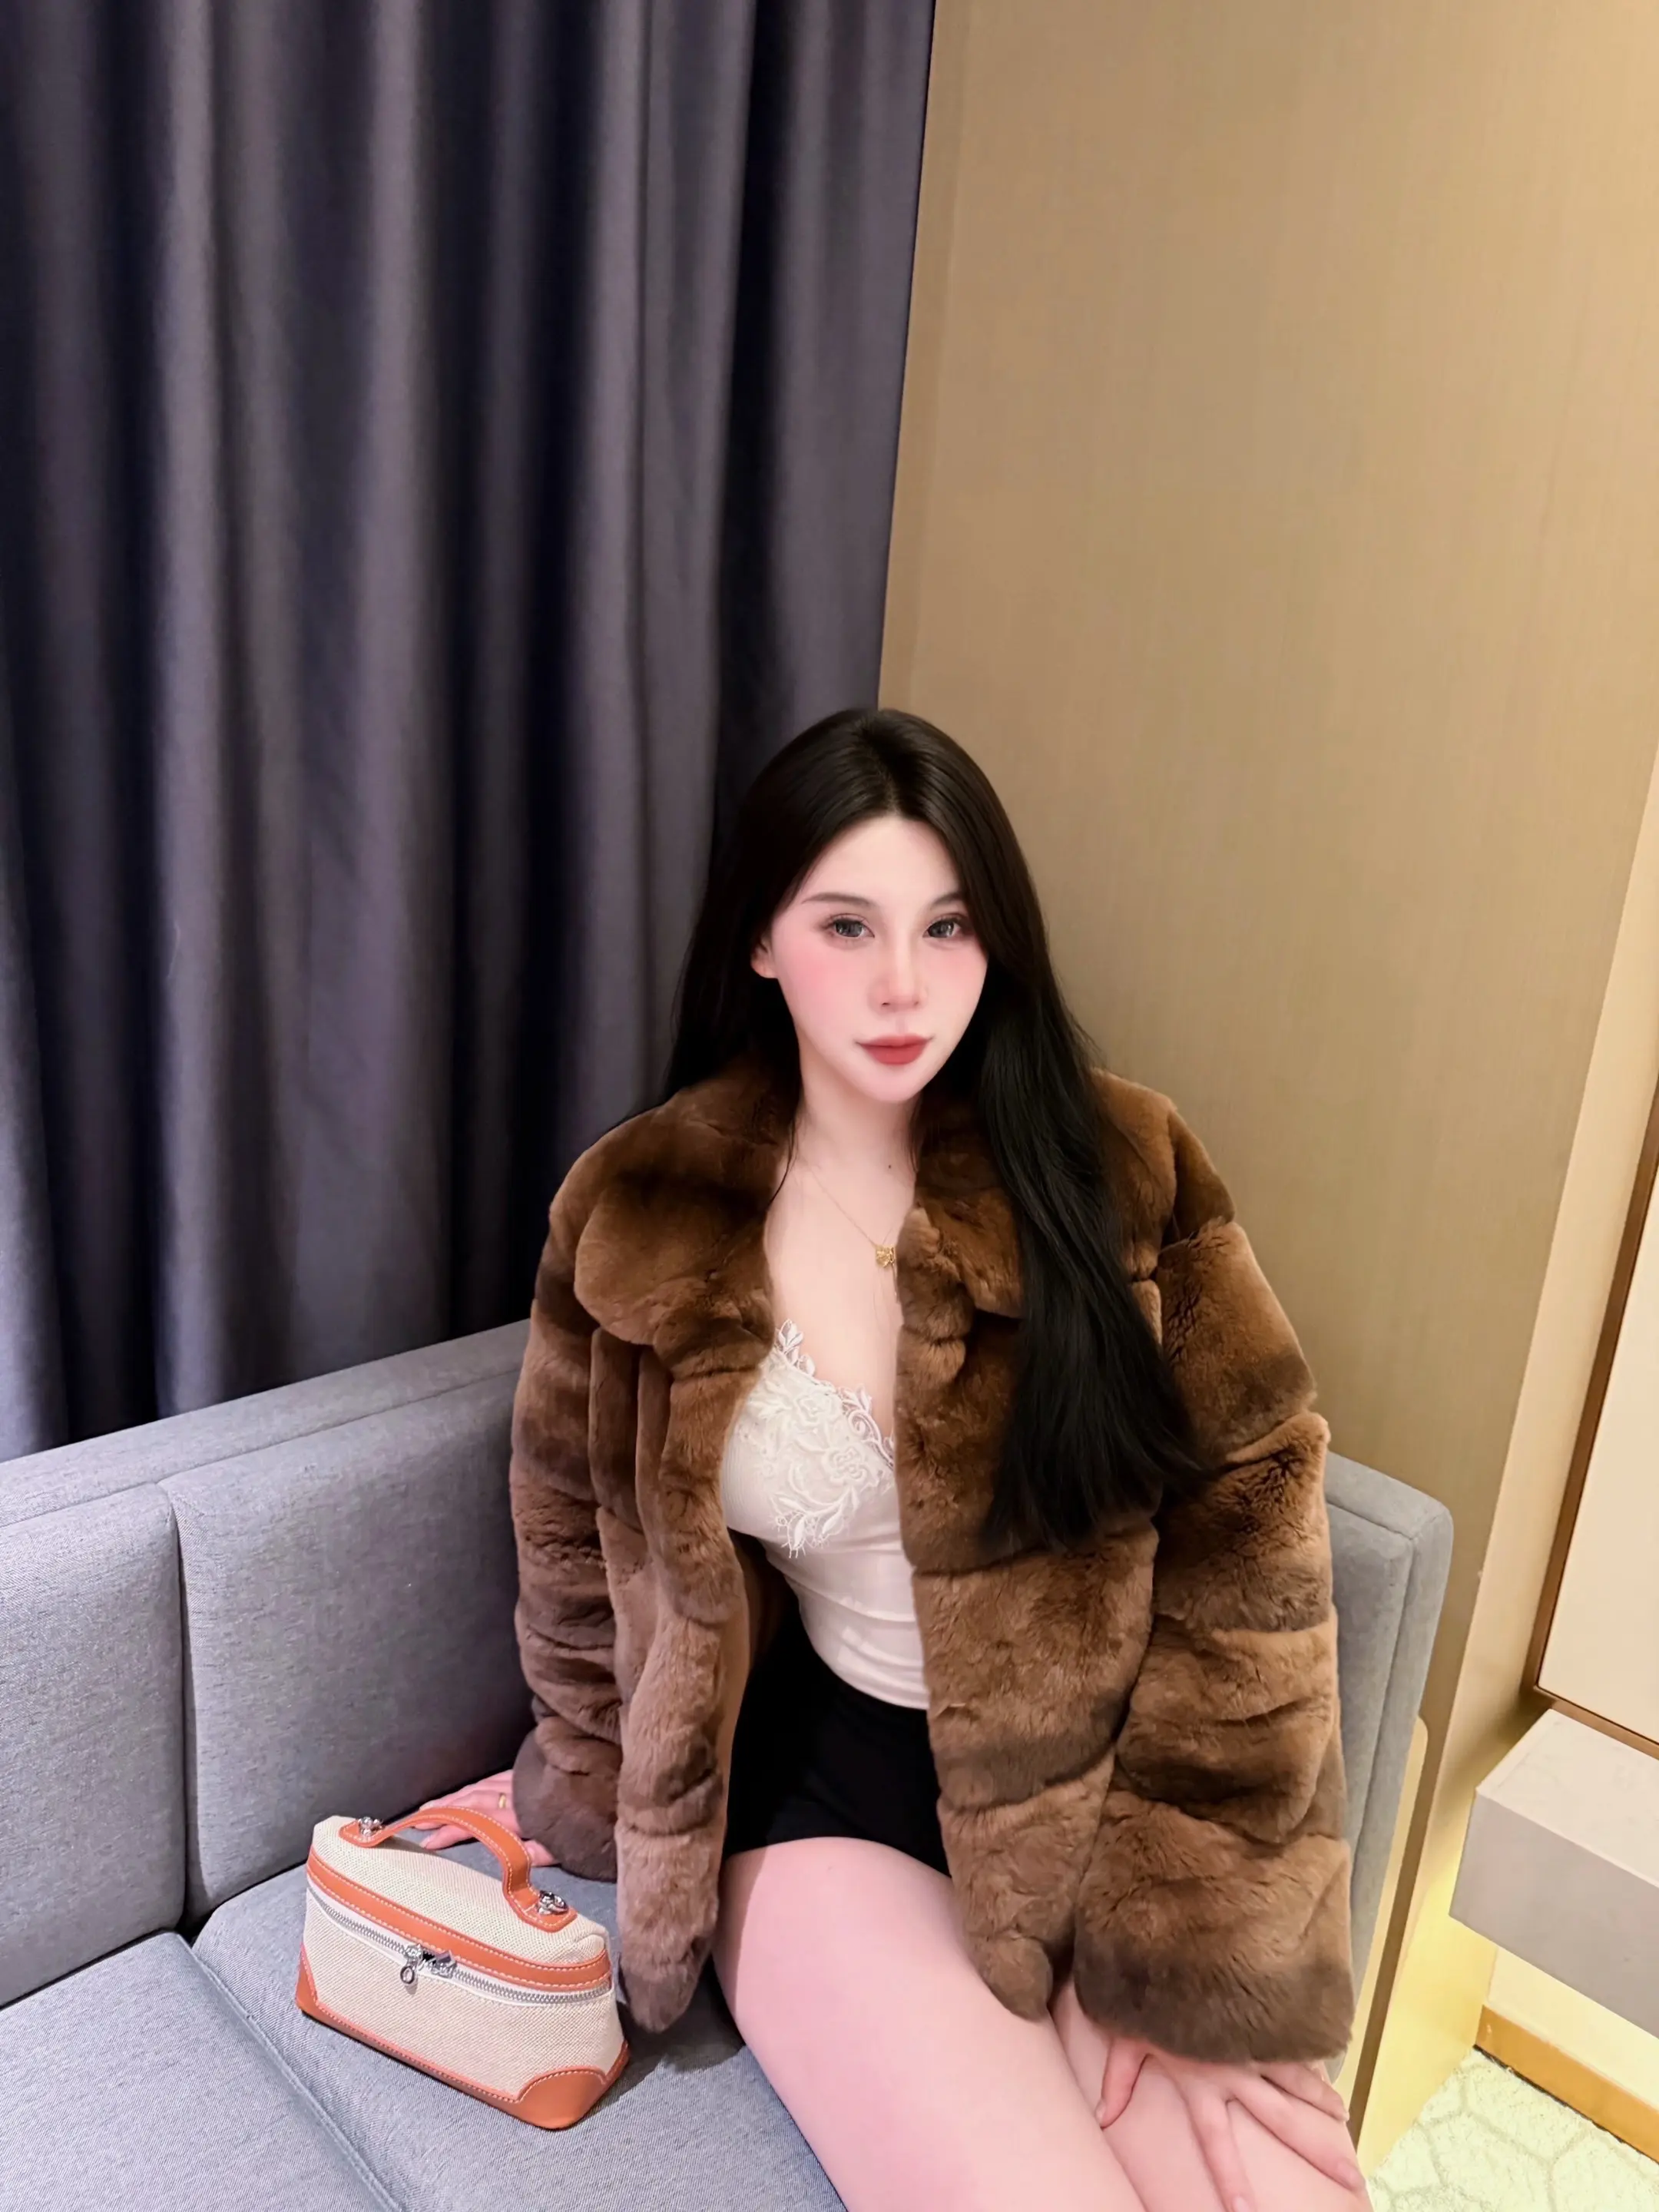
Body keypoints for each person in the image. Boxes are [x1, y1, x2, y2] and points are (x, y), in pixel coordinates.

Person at [419, 707, 1372, 2210]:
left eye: (948, 926)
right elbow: (571, 1546)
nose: (903, 985)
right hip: (825, 1797)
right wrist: (594, 1789)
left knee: (1288, 2191)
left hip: (1103, 1803)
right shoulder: (640, 1208)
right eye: (847, 926)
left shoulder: (1120, 1171)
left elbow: (1253, 1557)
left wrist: (1193, 1957)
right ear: (760, 940)